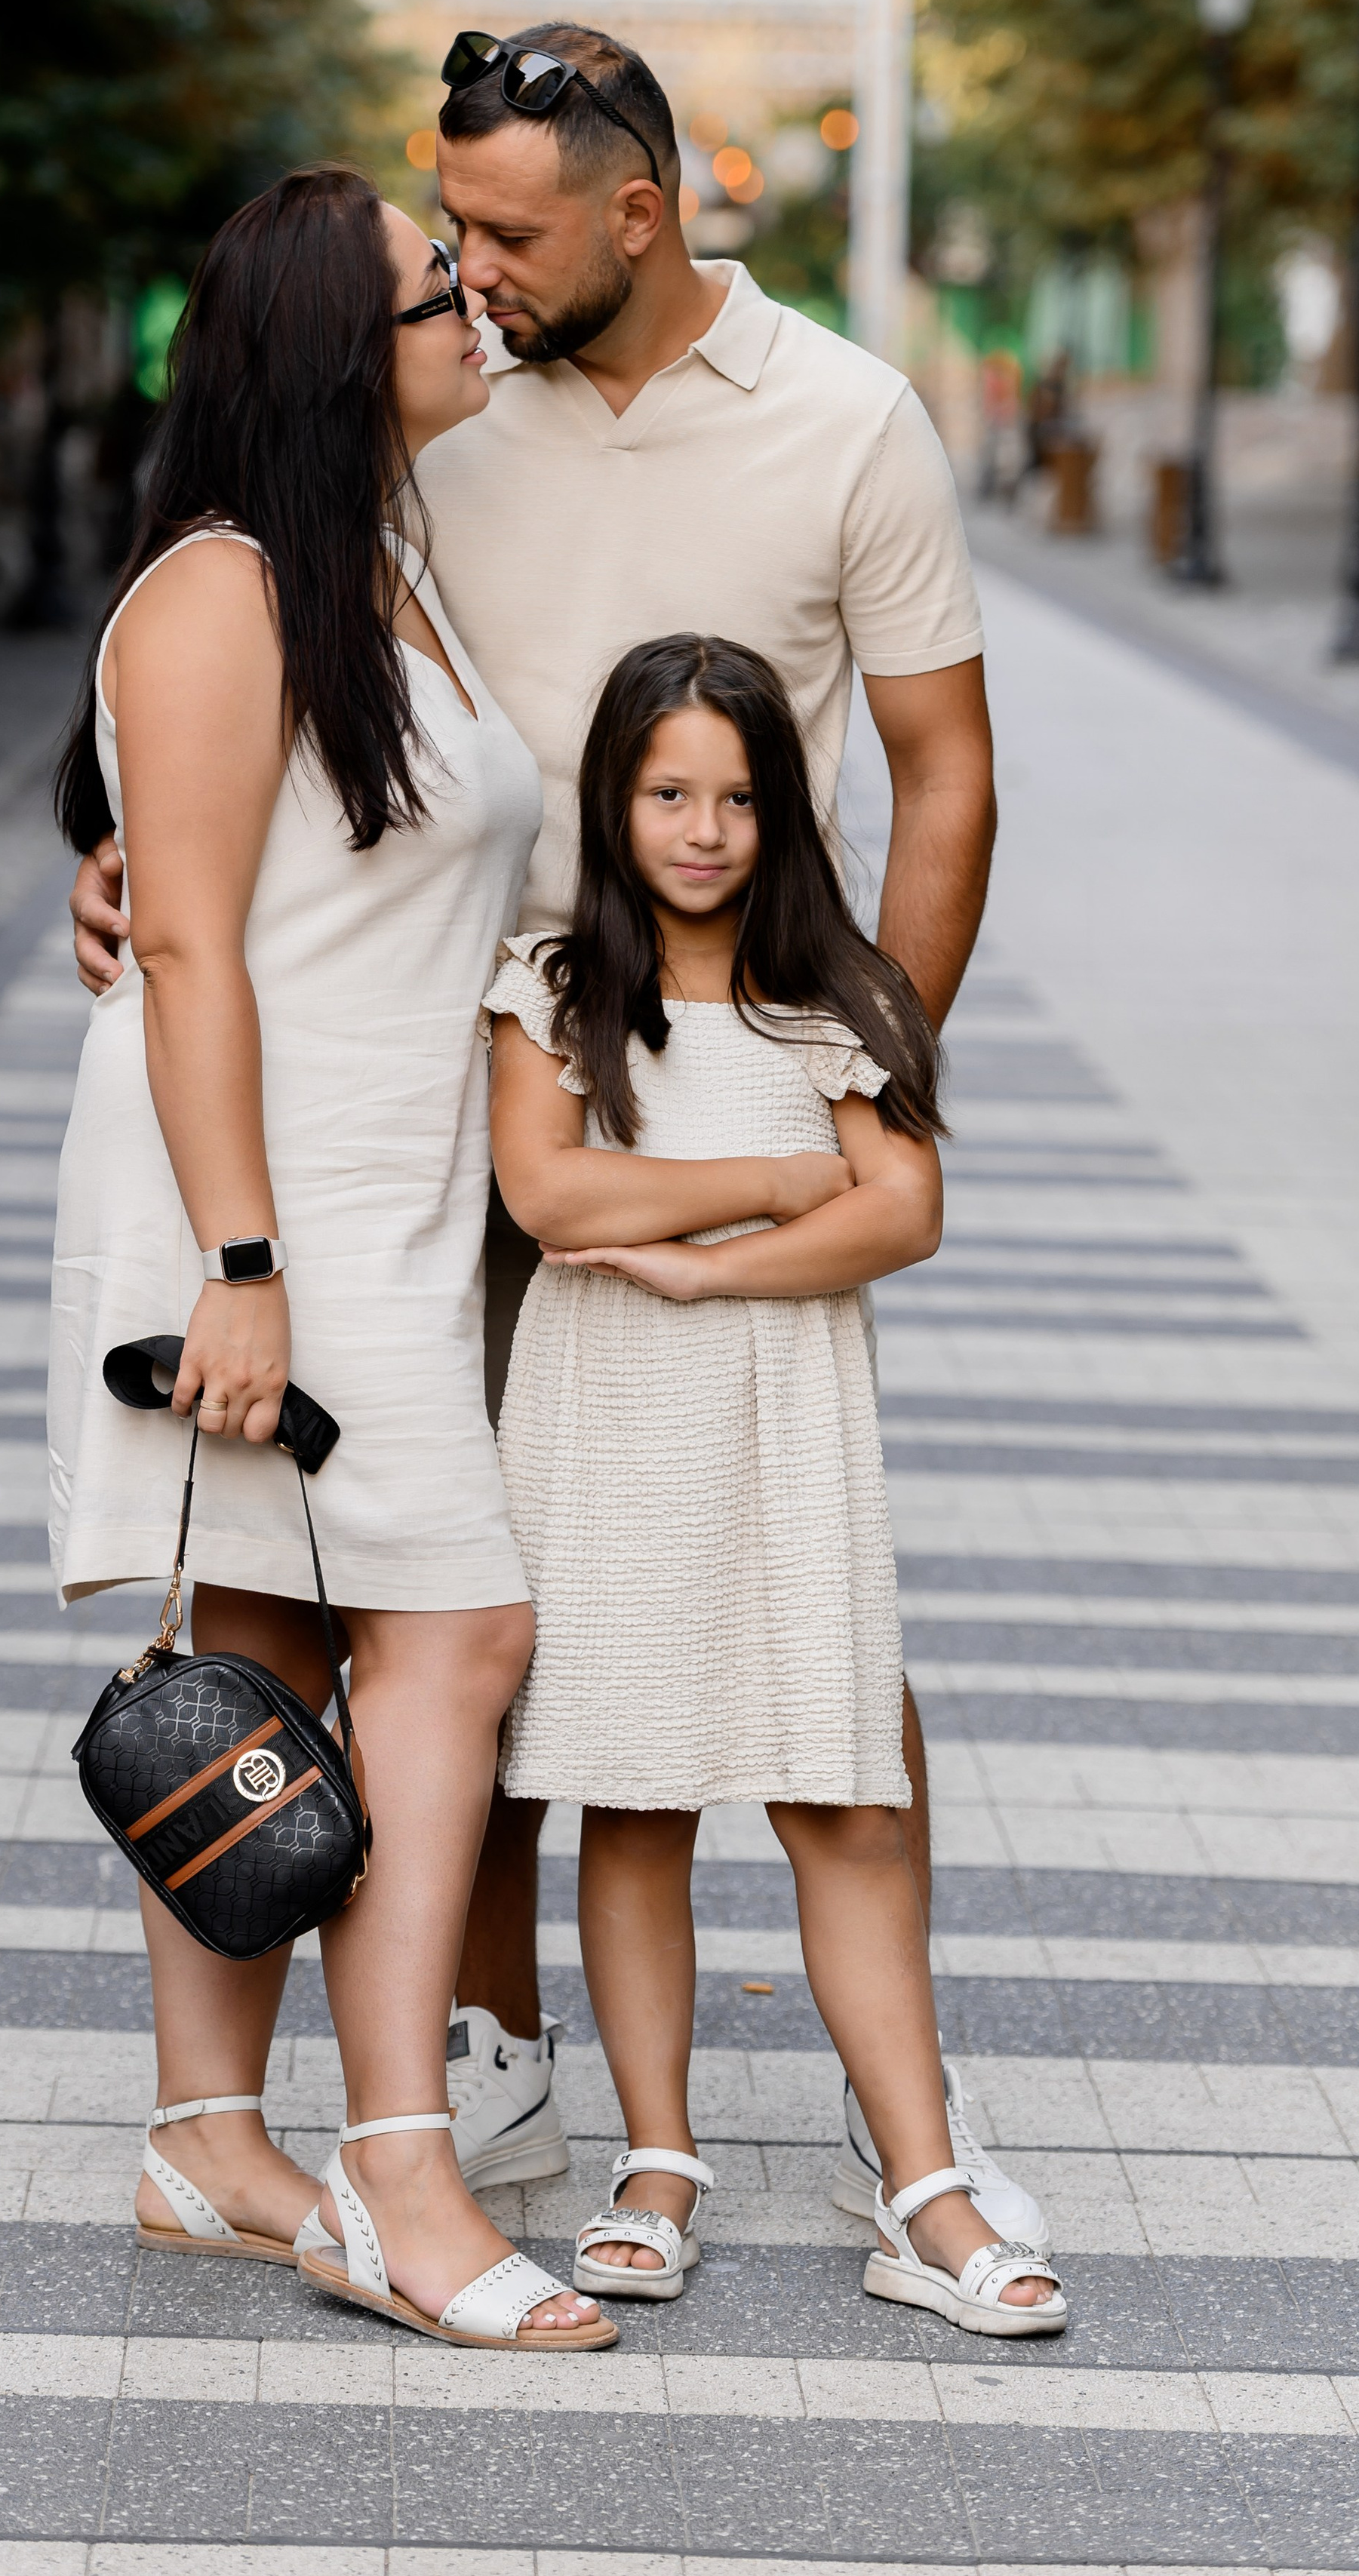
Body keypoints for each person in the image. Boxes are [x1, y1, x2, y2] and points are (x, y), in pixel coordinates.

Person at [69, 23, 1045, 2251]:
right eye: (449, 234)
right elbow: (238, 619)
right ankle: (460, 2072)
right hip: (424, 1107)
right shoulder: (435, 410)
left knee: (790, 1609)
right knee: (415, 1615)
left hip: (704, 1091)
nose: (472, 268)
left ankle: (912, 2123)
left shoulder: (847, 421)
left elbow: (948, 776)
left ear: (640, 209)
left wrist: (857, 1078)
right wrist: (120, 843)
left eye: (502, 231)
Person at [48, 162, 611, 2350]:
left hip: (373, 1183)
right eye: (424, 293)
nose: (471, 304)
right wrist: (244, 1260)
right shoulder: (222, 593)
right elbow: (182, 937)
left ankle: (205, 2138)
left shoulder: (383, 569)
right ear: (318, 357)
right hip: (264, 1200)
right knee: (455, 1637)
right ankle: (398, 2172)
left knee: (269, 1649)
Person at [484, 632, 1062, 2334]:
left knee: (845, 1793)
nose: (703, 827)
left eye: (737, 796)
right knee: (634, 1790)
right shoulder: (554, 985)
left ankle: (921, 2177)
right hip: (607, 1431)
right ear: (612, 798)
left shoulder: (839, 995)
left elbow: (904, 1214)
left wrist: (710, 1267)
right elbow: (549, 1194)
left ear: (780, 811)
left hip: (784, 1424)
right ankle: (654, 2160)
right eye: (667, 791)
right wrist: (775, 1176)